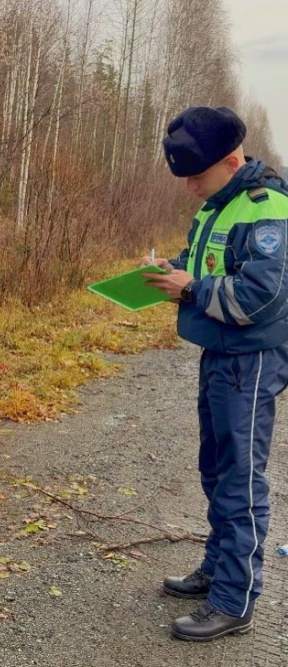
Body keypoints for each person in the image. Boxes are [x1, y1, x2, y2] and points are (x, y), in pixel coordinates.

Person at [142, 106, 288, 642]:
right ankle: (217, 568)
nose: (189, 188)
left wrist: (191, 289)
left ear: (232, 161)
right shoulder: (217, 205)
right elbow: (207, 263)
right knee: (215, 468)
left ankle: (234, 599)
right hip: (220, 353)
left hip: (250, 359)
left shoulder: (267, 208)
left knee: (240, 480)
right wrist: (172, 271)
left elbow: (262, 297)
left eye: (196, 177)